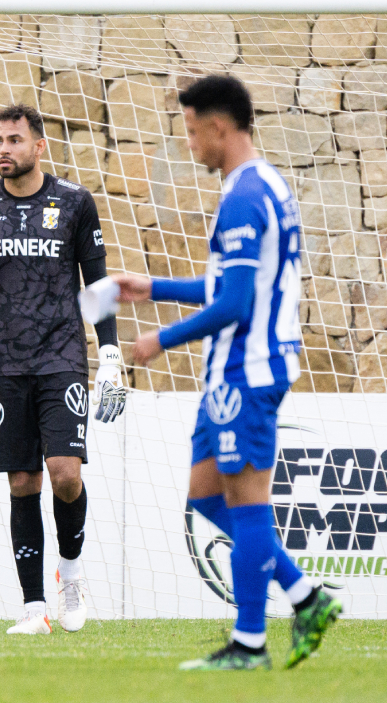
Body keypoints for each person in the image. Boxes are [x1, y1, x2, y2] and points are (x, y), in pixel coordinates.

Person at [114, 74, 341, 671]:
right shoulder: (264, 185)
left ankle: (249, 644)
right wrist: (152, 288)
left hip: (249, 370)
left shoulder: (243, 197)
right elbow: (228, 285)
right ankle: (305, 598)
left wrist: (159, 340)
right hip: (230, 373)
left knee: (246, 503)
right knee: (207, 496)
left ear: (218, 127)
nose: (188, 143)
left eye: (192, 131)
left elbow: (236, 305)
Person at [0, 103, 126, 635]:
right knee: (22, 482)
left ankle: (71, 574)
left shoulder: (74, 203)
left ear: (38, 146)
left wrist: (109, 355)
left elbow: (96, 284)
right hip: (2, 363)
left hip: (62, 358)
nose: (3, 149)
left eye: (14, 140)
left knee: (65, 474)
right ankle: (33, 609)